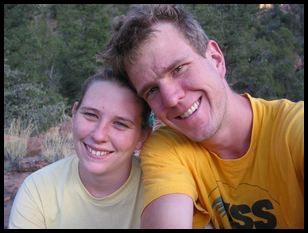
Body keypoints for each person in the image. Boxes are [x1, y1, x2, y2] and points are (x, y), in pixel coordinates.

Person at [97, 4, 304, 229]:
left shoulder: (293, 128)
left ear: (215, 59)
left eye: (178, 69)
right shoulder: (168, 147)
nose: (172, 98)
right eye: (152, 90)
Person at [8, 67, 152, 229]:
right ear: (74, 112)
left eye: (120, 124)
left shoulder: (158, 189)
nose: (99, 135)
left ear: (142, 136)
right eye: (90, 115)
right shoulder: (38, 190)